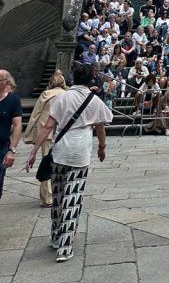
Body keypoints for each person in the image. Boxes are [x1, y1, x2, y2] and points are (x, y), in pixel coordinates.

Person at [25, 62, 113, 261]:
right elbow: (100, 127)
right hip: (80, 152)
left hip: (60, 150)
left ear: (73, 78)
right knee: (73, 198)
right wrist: (102, 146)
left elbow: (47, 127)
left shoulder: (62, 98)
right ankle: (65, 248)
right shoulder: (94, 100)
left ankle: (56, 236)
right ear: (90, 79)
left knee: (58, 195)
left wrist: (34, 151)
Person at [23, 69, 67, 207]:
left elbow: (35, 114)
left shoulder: (46, 94)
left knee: (46, 163)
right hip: (62, 131)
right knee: (62, 163)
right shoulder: (67, 95)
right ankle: (61, 193)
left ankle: (47, 197)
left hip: (46, 132)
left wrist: (30, 133)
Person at [0, 69, 23, 200]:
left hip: (1, 148)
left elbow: (17, 125)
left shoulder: (13, 100)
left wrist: (12, 151)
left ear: (6, 82)